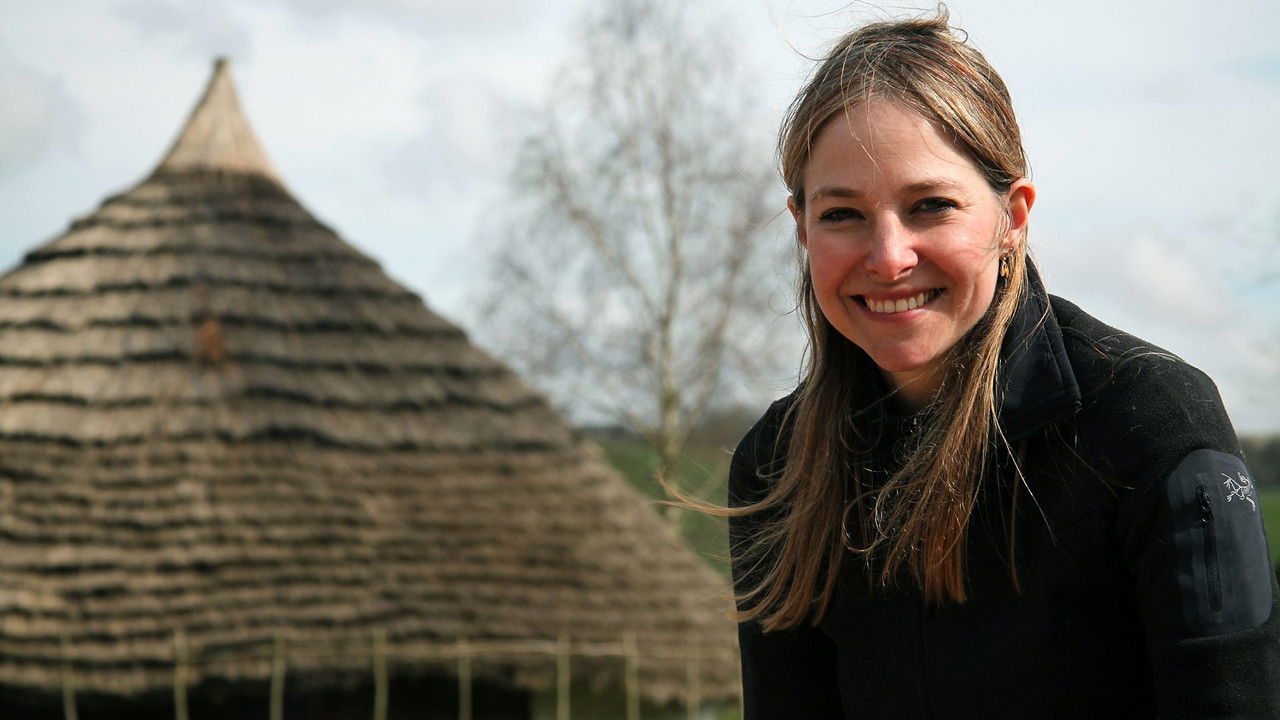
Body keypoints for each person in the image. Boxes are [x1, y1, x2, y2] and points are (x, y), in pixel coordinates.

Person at [727, 11, 1280, 719]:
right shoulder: (776, 467)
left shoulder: (1153, 425)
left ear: (1012, 217)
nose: (889, 257)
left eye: (930, 206)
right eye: (842, 214)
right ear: (802, 226)